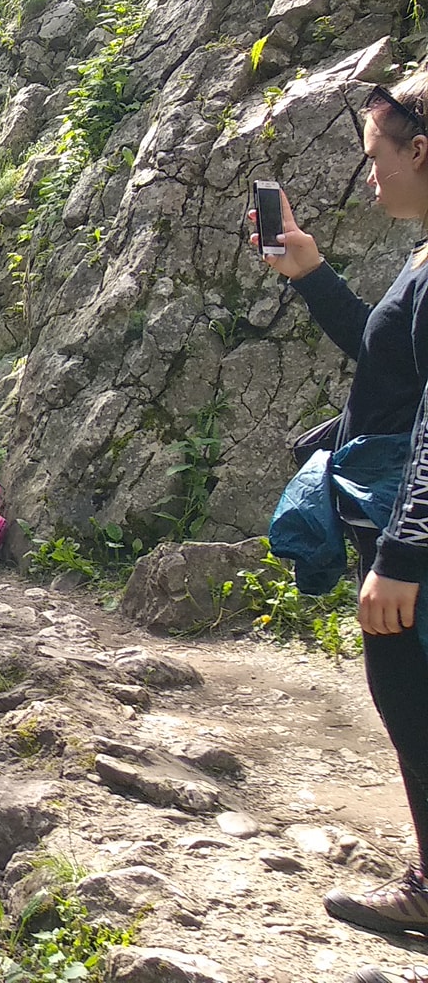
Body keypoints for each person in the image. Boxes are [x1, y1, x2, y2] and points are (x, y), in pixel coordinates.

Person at [252, 74, 428, 964]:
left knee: (415, 706)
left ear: (420, 151)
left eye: (375, 157)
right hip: (400, 530)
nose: (370, 176)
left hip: (411, 544)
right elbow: (381, 353)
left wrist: (402, 553)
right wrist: (313, 272)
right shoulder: (424, 259)